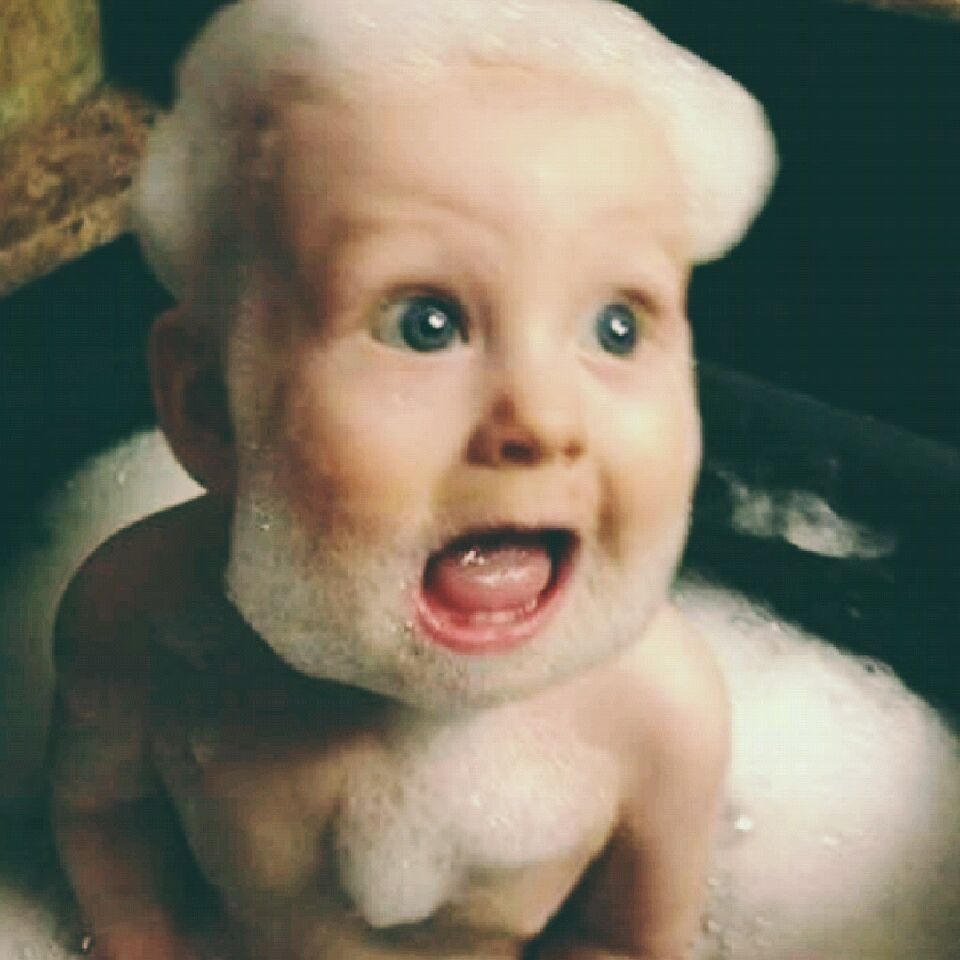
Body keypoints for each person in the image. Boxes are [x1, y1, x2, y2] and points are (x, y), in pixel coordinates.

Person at [47, 1, 775, 957]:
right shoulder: (139, 623)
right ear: (210, 406)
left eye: (617, 327)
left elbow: (632, 943)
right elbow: (106, 819)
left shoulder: (658, 715)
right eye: (424, 323)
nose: (543, 420)